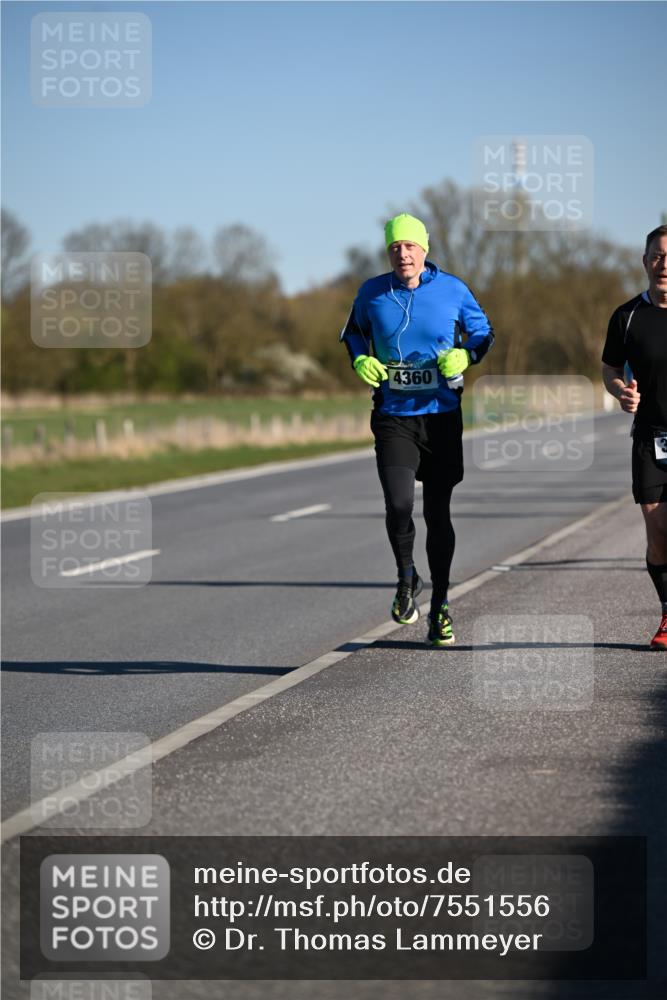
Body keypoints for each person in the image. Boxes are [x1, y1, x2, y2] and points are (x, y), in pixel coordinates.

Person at [340, 213, 494, 646]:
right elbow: (351, 332)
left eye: (410, 246)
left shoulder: (453, 290)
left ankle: (441, 606)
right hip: (393, 415)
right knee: (399, 504)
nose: (402, 253)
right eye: (394, 247)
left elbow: (484, 333)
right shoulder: (372, 293)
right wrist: (359, 358)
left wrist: (466, 355)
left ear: (424, 250)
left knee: (437, 512)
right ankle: (407, 577)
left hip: (441, 417)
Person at [602, 224, 667, 649]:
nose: (664, 264)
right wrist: (620, 391)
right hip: (650, 439)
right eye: (657, 256)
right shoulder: (626, 317)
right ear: (644, 262)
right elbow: (610, 368)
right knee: (658, 534)